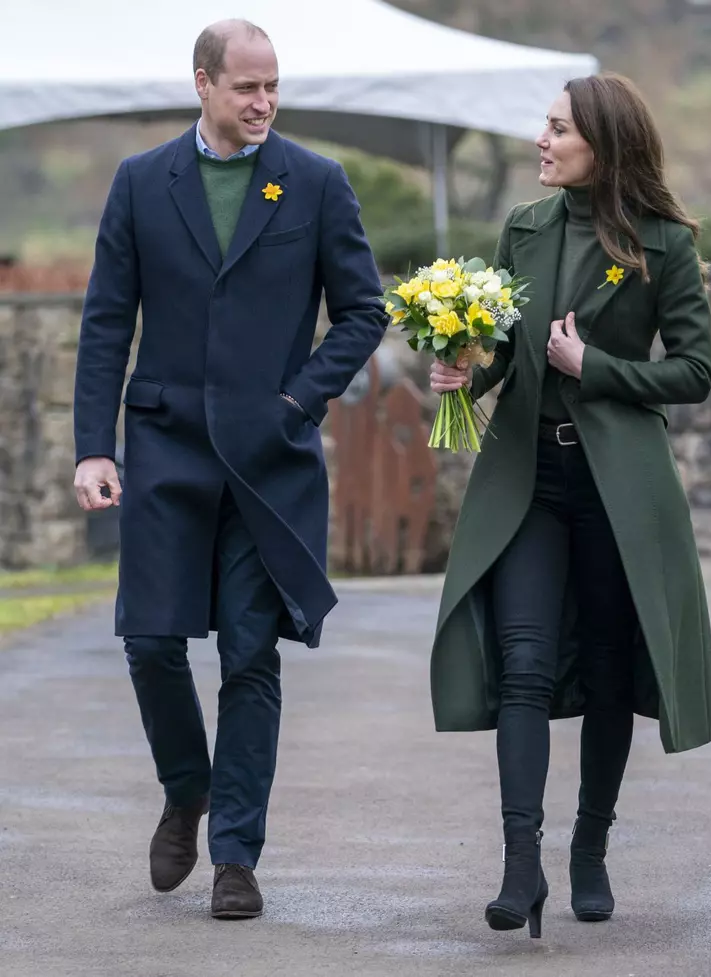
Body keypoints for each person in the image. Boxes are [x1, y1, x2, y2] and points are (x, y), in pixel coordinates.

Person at [73, 19, 387, 919]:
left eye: (273, 87)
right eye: (246, 86)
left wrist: (297, 400)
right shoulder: (140, 184)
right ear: (203, 83)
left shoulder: (317, 182)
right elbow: (105, 323)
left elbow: (362, 312)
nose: (263, 102)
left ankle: (236, 855)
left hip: (268, 458)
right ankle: (187, 785)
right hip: (165, 445)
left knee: (251, 654)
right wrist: (95, 444)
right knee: (149, 641)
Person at [429, 73, 711, 936]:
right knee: (522, 663)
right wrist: (461, 369)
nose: (541, 140)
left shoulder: (663, 243)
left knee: (601, 670)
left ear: (602, 141)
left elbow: (694, 372)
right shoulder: (523, 228)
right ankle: (522, 868)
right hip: (527, 482)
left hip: (616, 489)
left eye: (556, 128)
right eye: (545, 126)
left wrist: (594, 368)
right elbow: (506, 356)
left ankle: (589, 848)